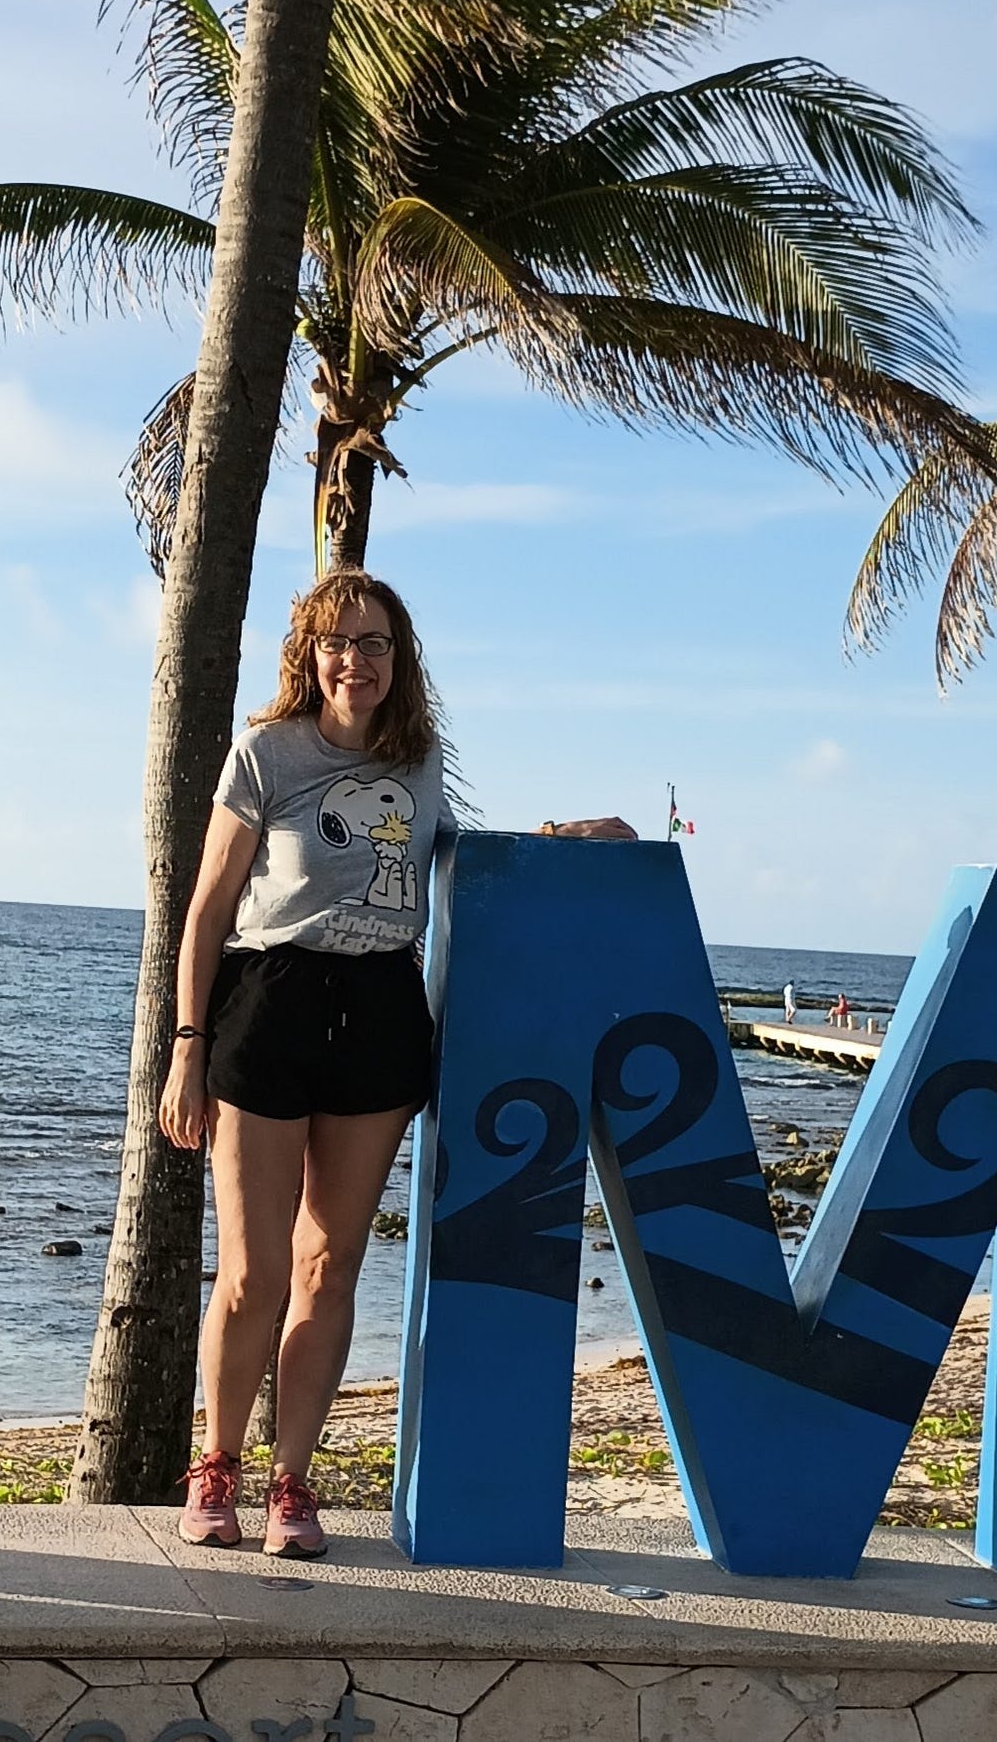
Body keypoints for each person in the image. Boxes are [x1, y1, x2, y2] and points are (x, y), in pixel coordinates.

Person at [159, 569, 635, 1559]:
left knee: (330, 1264)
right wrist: (187, 1047)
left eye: (374, 641)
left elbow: (454, 853)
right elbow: (205, 911)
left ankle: (293, 1480)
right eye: (337, 641)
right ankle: (217, 1465)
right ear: (309, 654)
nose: (355, 659)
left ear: (398, 657)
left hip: (378, 1007)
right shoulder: (267, 753)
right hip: (269, 1004)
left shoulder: (419, 760)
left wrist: (573, 835)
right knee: (252, 1270)